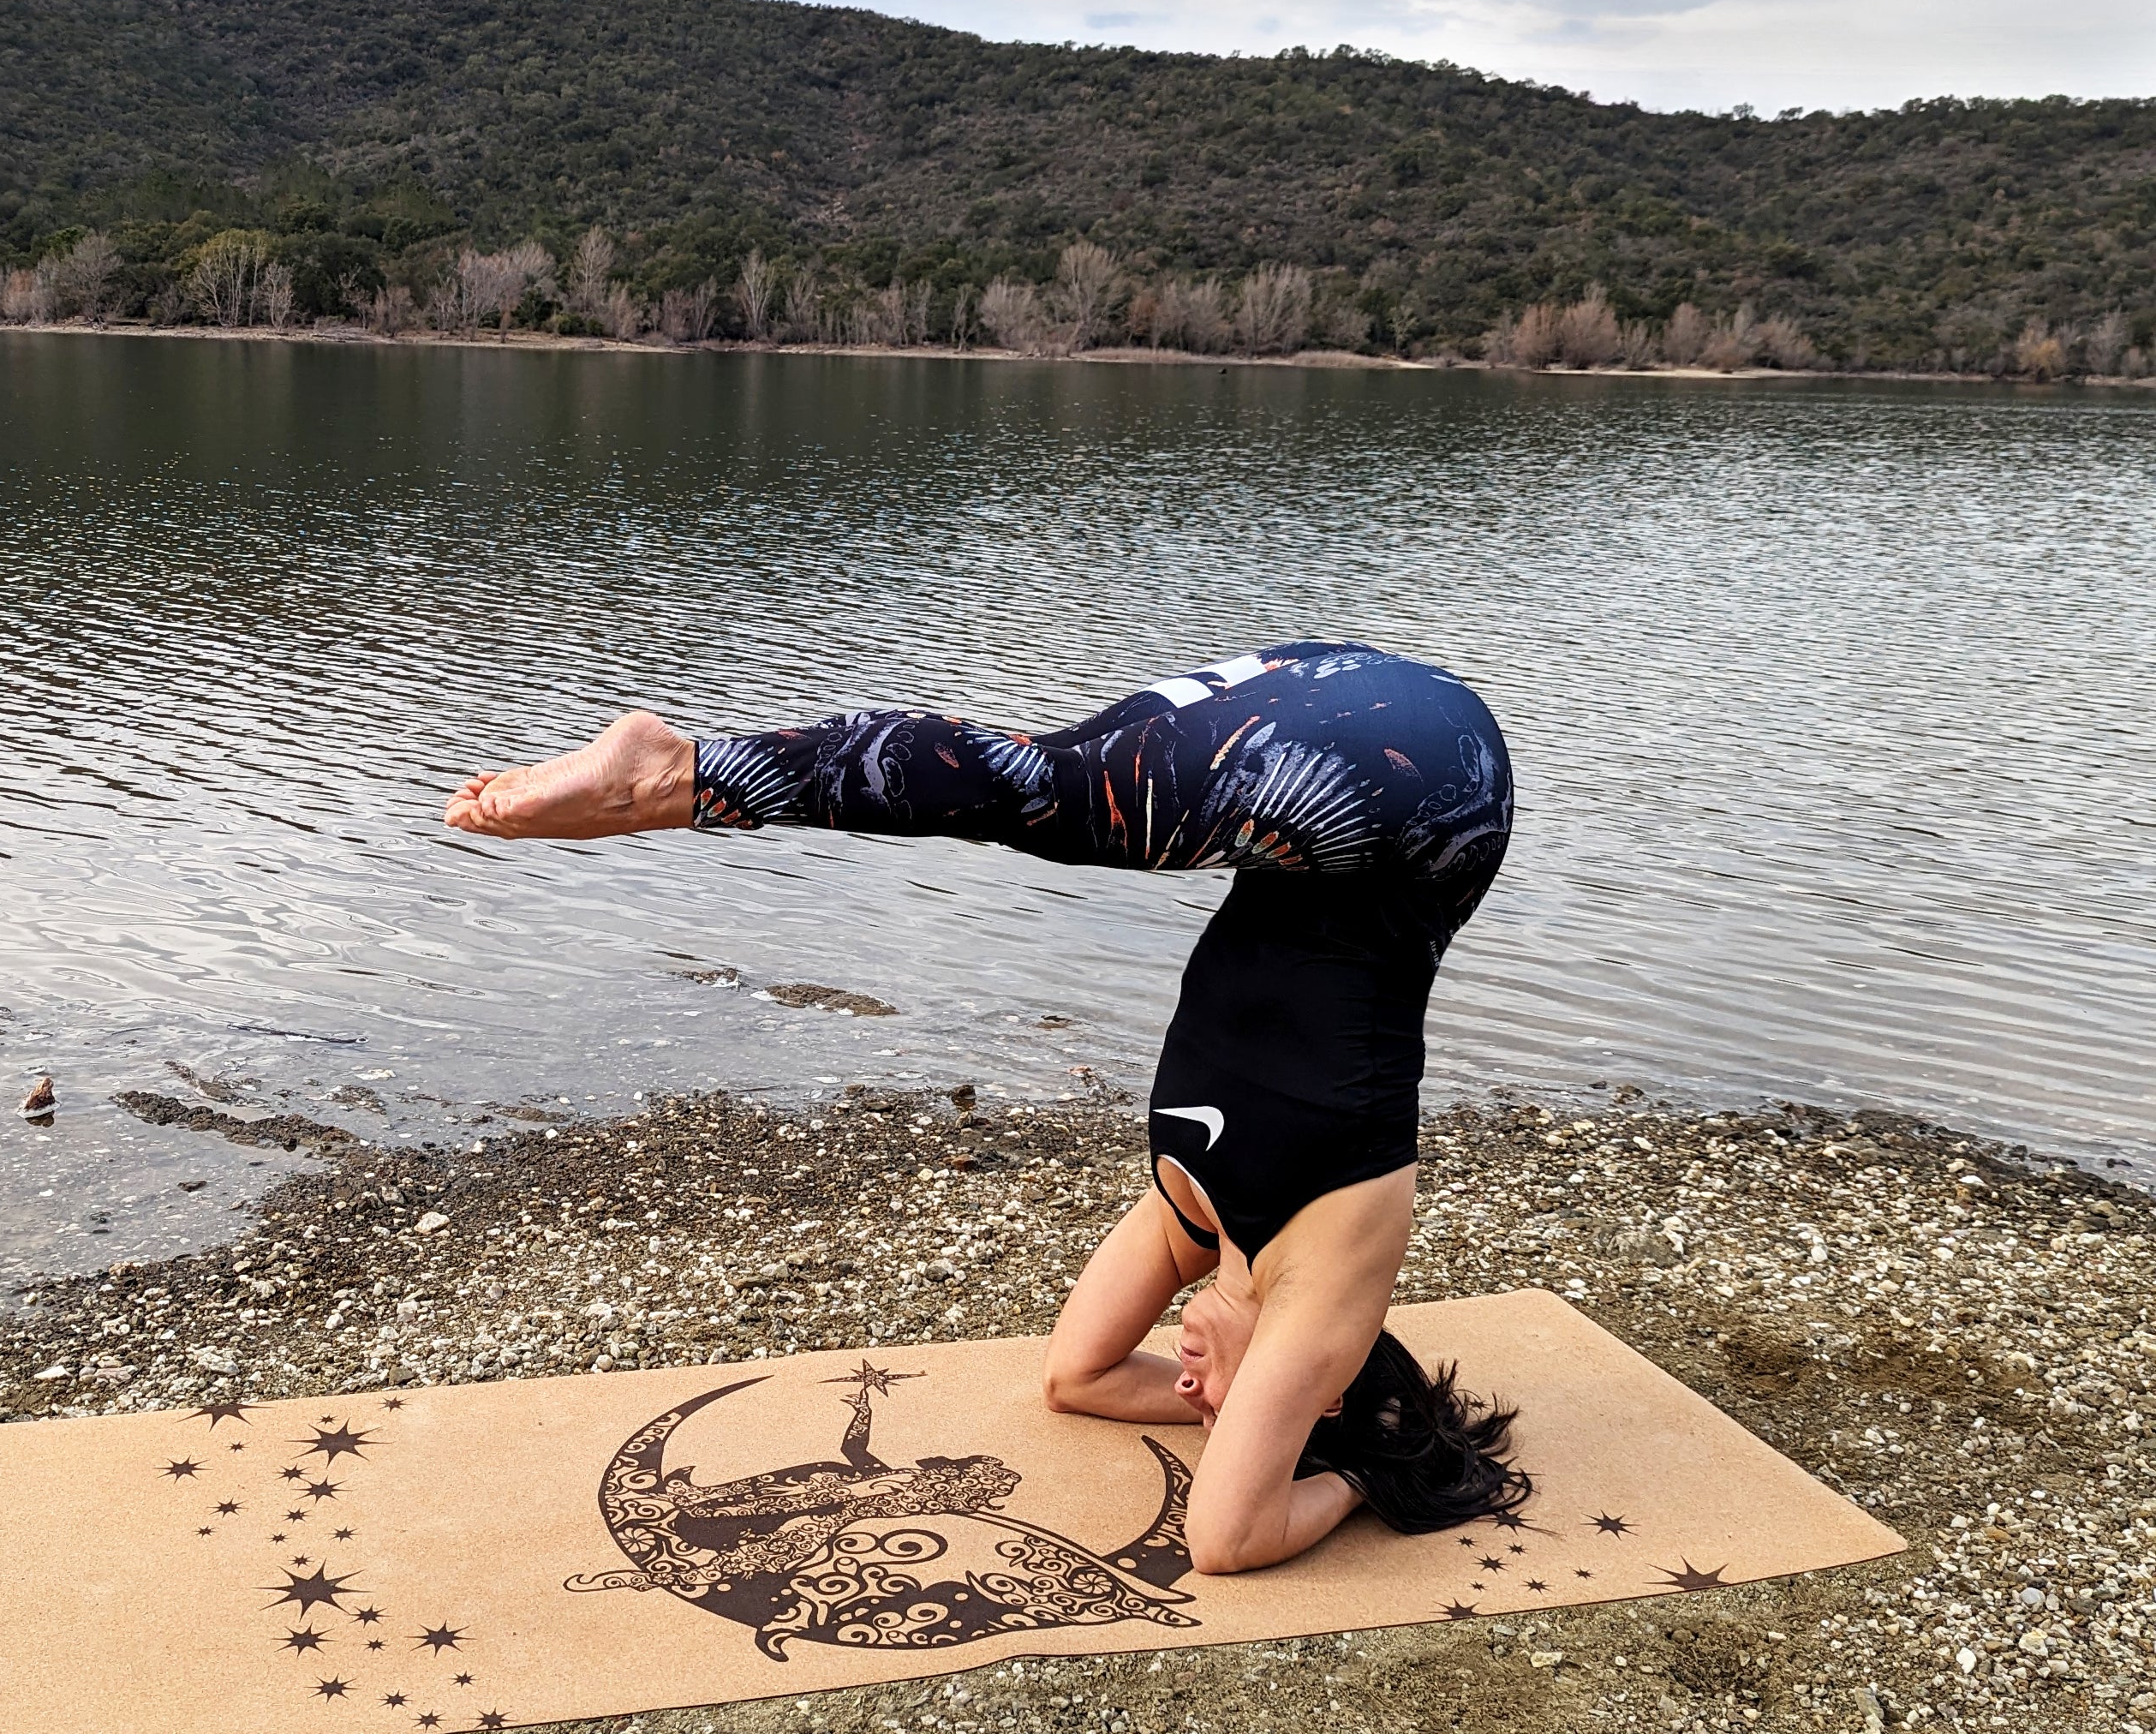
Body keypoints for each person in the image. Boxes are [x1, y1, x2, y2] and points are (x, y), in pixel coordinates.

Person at [445, 640, 1530, 1576]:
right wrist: (1363, 1472)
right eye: (1221, 1408)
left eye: (1199, 1407)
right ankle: (669, 774)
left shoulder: (1200, 1224)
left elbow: (1079, 1377)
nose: (1195, 1394)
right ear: (1322, 1396)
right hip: (1423, 791)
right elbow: (1225, 1536)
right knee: (1047, 796)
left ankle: (683, 772)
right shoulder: (1324, 1294)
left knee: (1052, 779)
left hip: (1340, 713)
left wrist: (1244, 1413)